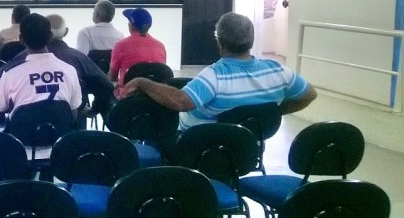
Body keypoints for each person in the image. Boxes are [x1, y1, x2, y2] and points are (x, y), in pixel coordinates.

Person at [122, 12, 317, 131]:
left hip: (198, 147)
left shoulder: (215, 76)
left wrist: (142, 82)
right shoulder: (279, 71)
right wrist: (274, 112)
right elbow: (310, 94)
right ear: (251, 40)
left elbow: (181, 102)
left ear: (219, 42)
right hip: (247, 149)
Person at [3, 14, 115, 127]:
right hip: (71, 130)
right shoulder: (79, 58)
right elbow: (106, 86)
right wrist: (95, 109)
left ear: (22, 39)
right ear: (65, 32)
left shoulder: (17, 63)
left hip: (25, 129)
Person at [0, 13, 82, 126]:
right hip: (60, 136)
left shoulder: (10, 74)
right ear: (50, 36)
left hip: (22, 136)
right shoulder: (70, 71)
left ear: (21, 39)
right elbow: (73, 114)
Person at [109, 7, 167, 84]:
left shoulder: (120, 45)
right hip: (154, 90)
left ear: (131, 25)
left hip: (128, 90)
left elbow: (112, 76)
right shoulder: (160, 46)